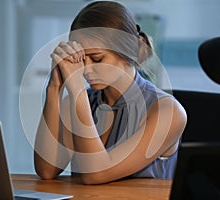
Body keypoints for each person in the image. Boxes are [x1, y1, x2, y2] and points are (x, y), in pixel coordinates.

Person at [34, 1, 187, 185]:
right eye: (82, 59)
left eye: (97, 58)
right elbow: (47, 170)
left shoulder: (169, 112)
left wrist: (78, 91)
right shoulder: (78, 101)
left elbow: (95, 174)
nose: (85, 70)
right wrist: (54, 87)